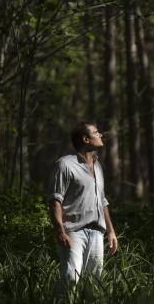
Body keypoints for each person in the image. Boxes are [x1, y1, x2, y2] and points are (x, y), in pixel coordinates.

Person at [48, 122, 118, 288]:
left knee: (93, 285)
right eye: (96, 132)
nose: (100, 135)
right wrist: (60, 231)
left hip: (97, 234)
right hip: (73, 232)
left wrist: (111, 231)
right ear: (86, 139)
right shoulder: (65, 165)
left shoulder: (98, 166)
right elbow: (55, 200)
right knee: (71, 279)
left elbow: (102, 201)